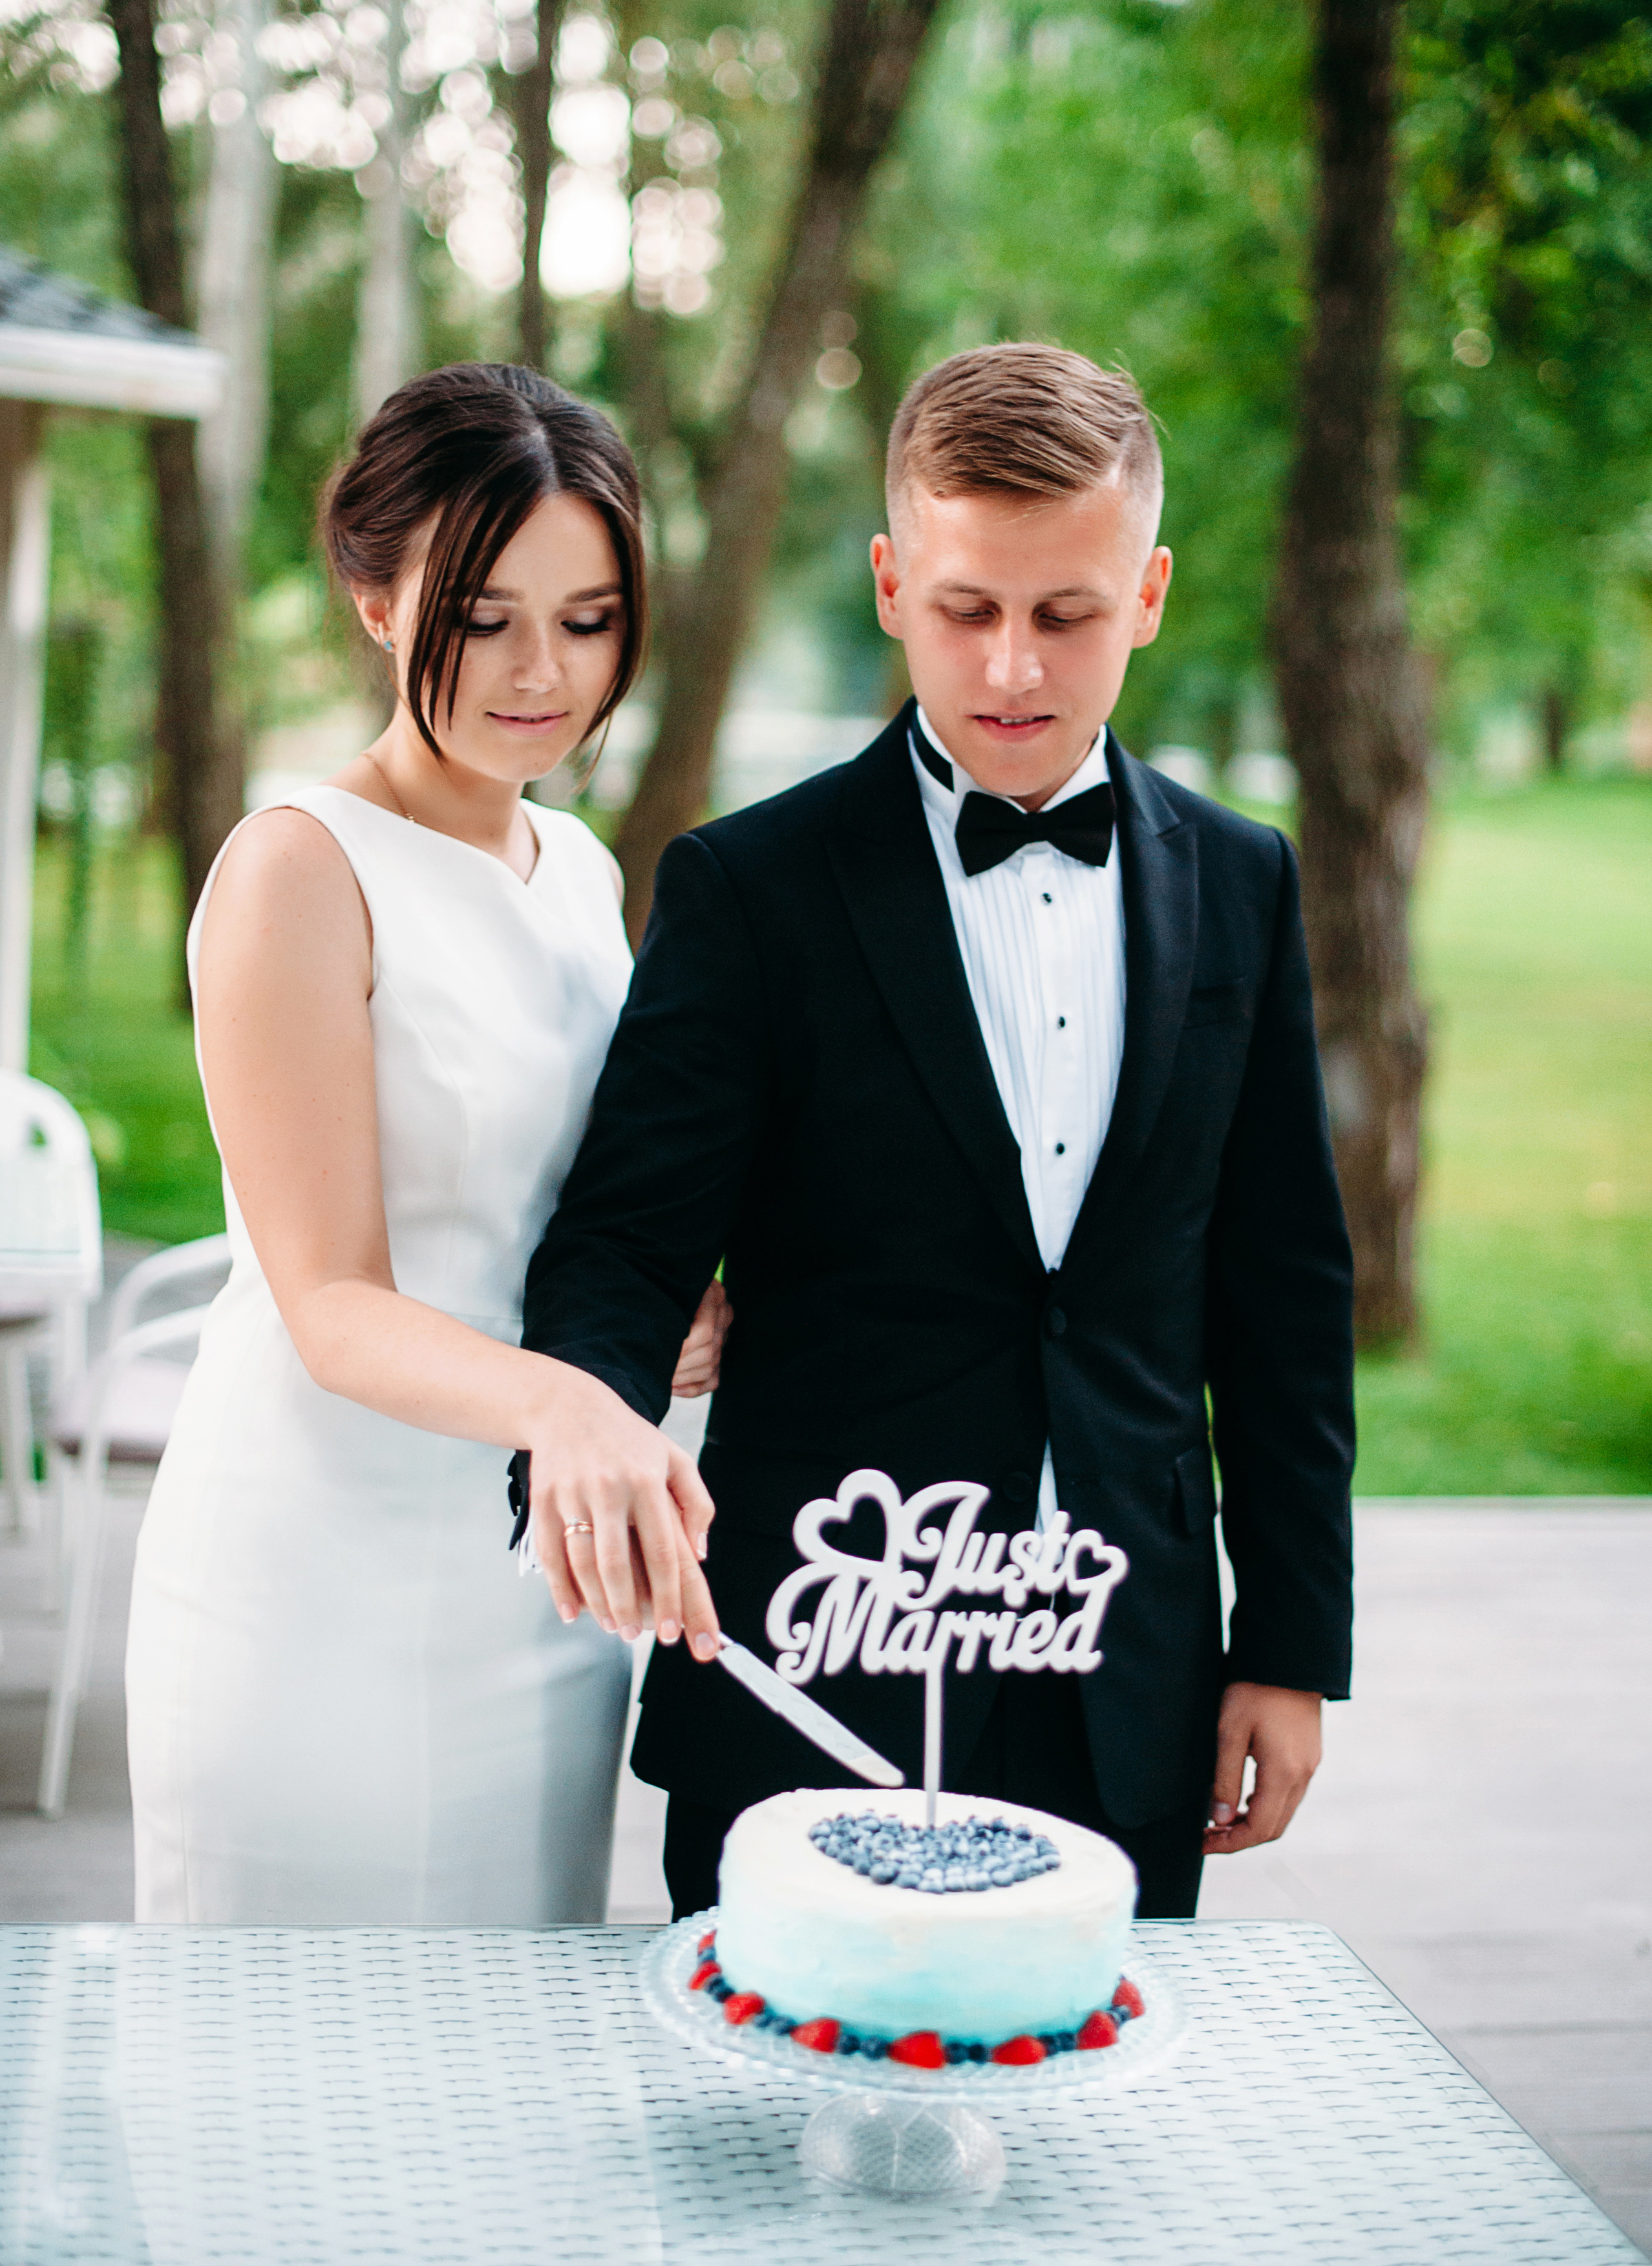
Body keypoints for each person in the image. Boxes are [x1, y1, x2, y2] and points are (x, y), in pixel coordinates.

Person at [514, 343, 1356, 1922]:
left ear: (1151, 594)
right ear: (896, 585)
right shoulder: (749, 888)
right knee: (768, 2137)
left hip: (1128, 1662)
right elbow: (628, 1245)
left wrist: (1292, 1645)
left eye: (1067, 614)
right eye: (970, 611)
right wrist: (579, 1454)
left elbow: (1284, 1293)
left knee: (1084, 2135)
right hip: (812, 1655)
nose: (1015, 670)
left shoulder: (1246, 882)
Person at [125, 362, 725, 1926]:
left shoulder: (579, 870)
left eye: (588, 620)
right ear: (377, 594)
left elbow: (555, 1203)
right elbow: (331, 1301)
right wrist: (574, 1406)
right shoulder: (298, 871)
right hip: (317, 1584)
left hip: (539, 1581)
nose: (542, 671)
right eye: (482, 617)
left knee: (509, 2106)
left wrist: (677, 1319)